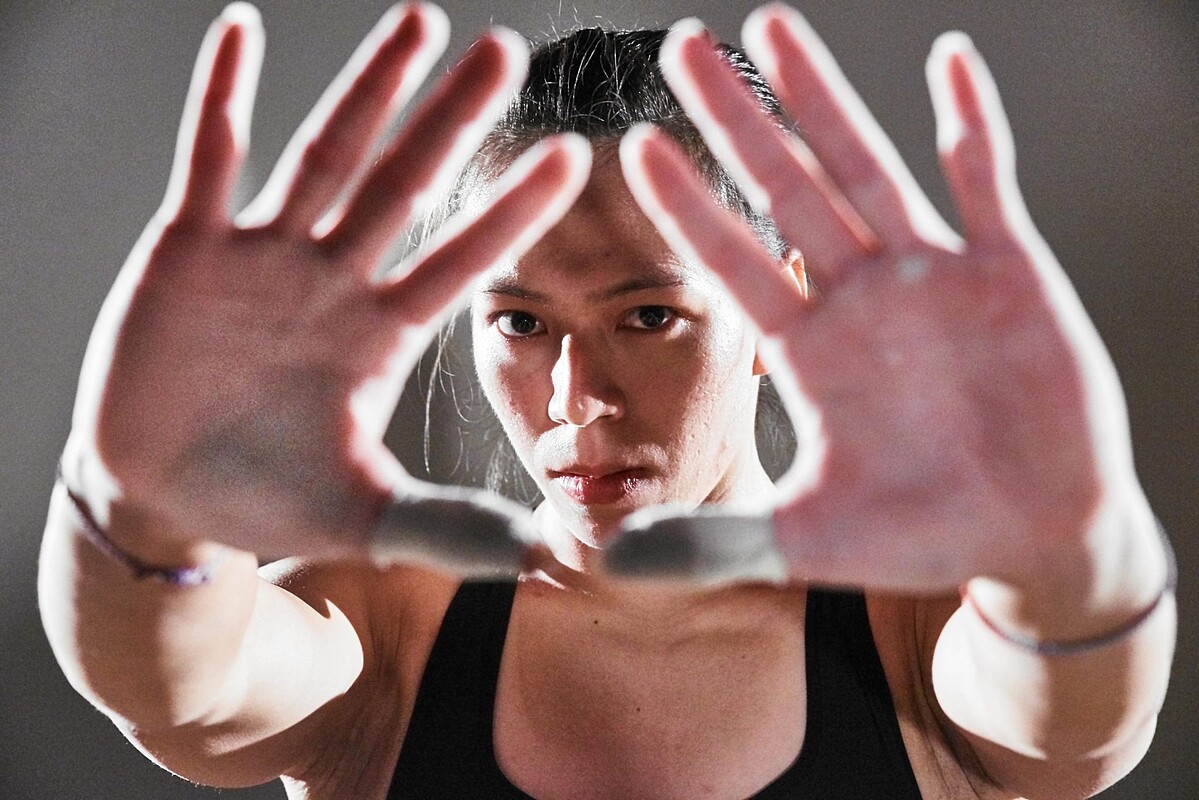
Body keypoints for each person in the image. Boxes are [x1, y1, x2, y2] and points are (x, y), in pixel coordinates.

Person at [39, 2, 1176, 798]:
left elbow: (1081, 716)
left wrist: (1076, 545)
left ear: (777, 304)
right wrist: (130, 508)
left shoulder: (918, 632)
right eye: (519, 323)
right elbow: (176, 687)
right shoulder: (388, 629)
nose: (575, 400)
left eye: (648, 317)